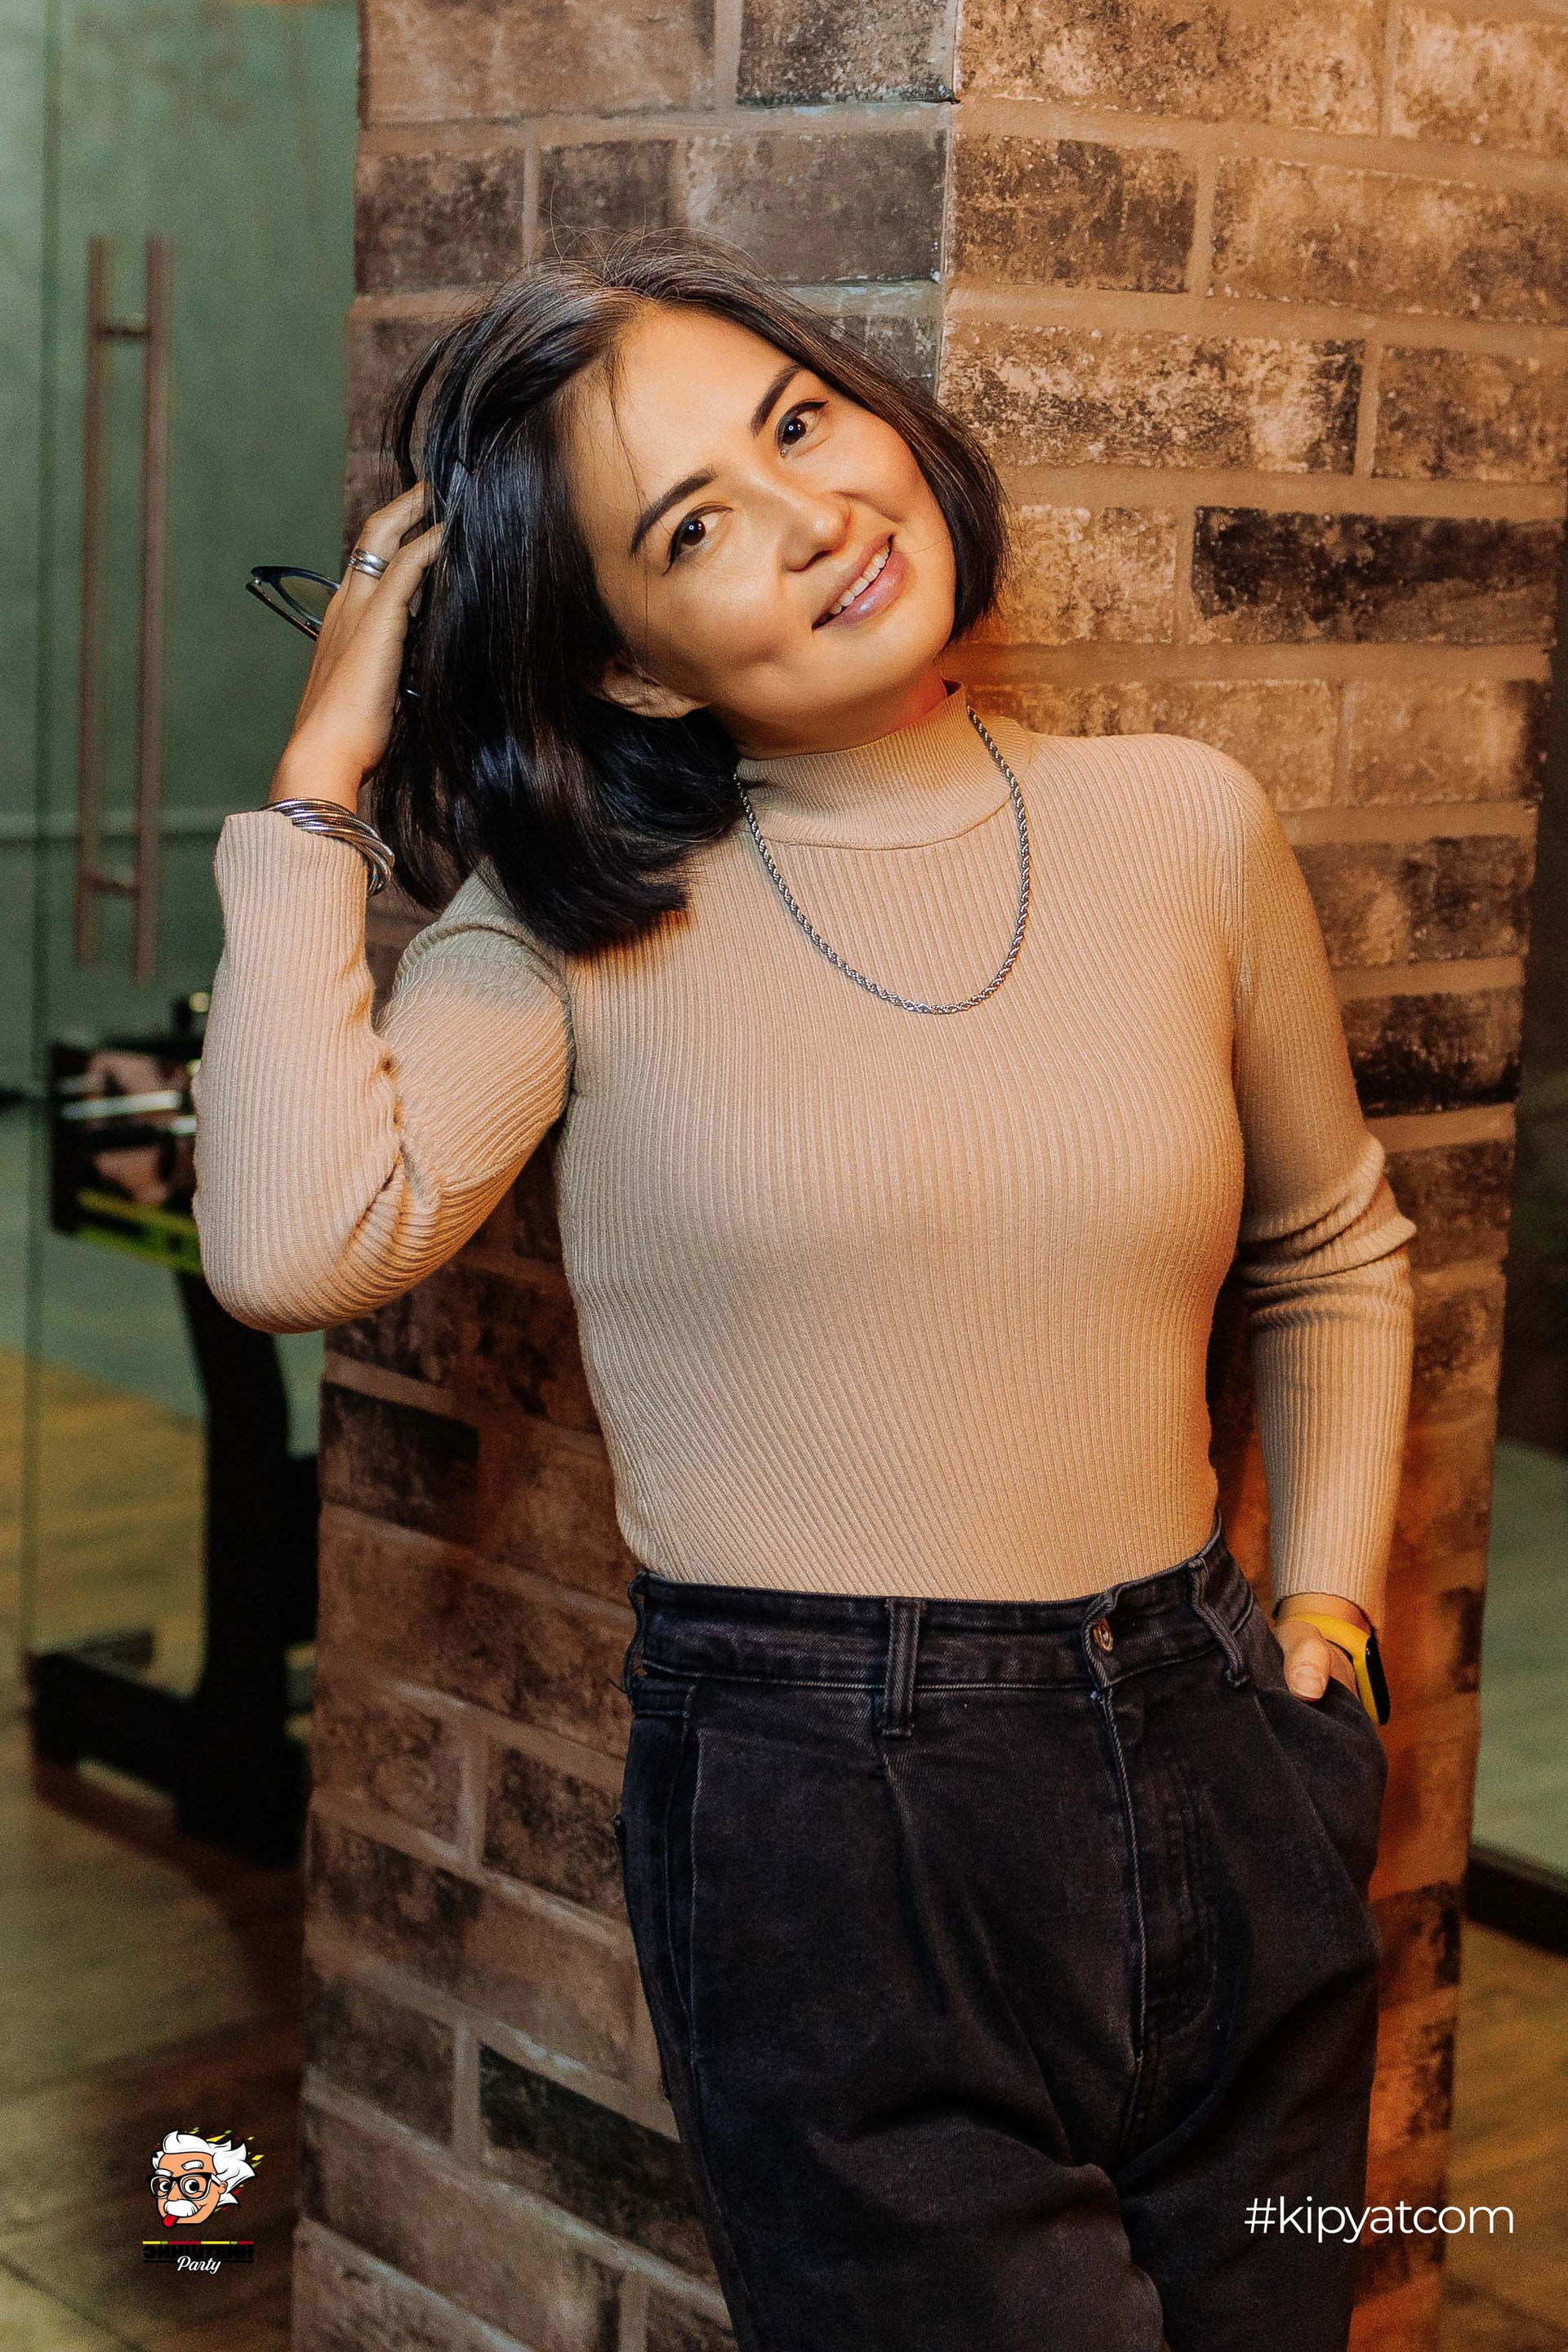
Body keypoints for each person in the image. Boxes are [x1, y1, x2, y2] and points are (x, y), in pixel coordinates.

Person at [192, 229, 1415, 2352]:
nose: (815, 512)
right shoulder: (571, 930)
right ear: (636, 666)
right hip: (833, 1824)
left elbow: (1330, 1248)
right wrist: (316, 790)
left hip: (1221, 1747)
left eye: (800, 423)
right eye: (693, 525)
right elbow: (296, 1247)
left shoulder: (1182, 825)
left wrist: (1328, 1636)